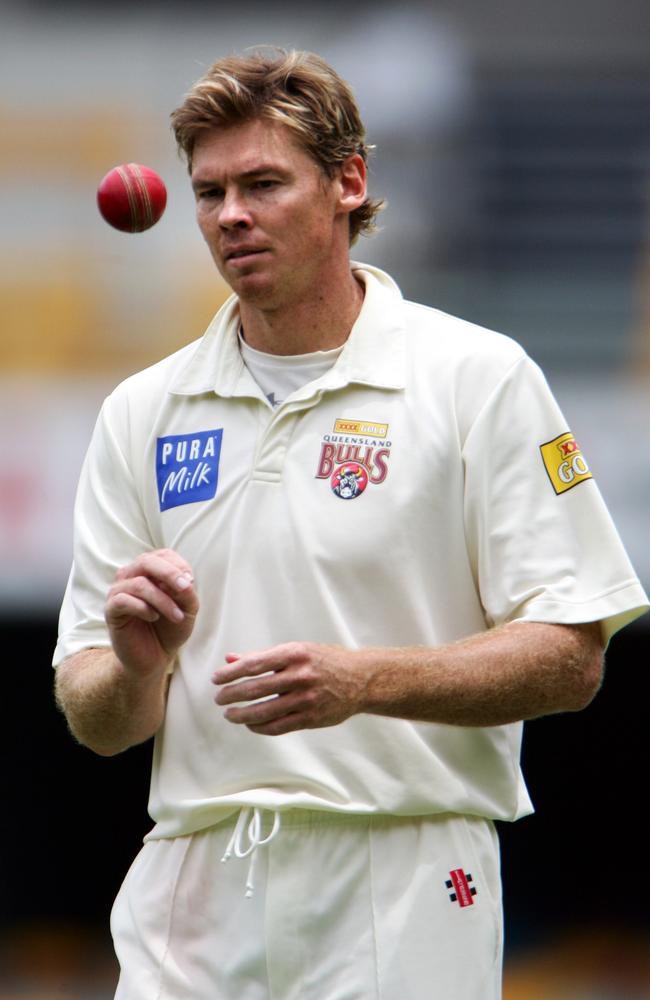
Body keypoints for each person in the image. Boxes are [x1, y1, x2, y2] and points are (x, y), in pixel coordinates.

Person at [53, 48, 648, 1000]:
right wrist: (131, 663)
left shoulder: (477, 377)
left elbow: (573, 659)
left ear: (348, 184)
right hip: (196, 876)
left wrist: (362, 681)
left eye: (262, 184)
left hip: (405, 868)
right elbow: (101, 722)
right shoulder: (143, 409)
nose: (231, 215)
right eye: (209, 192)